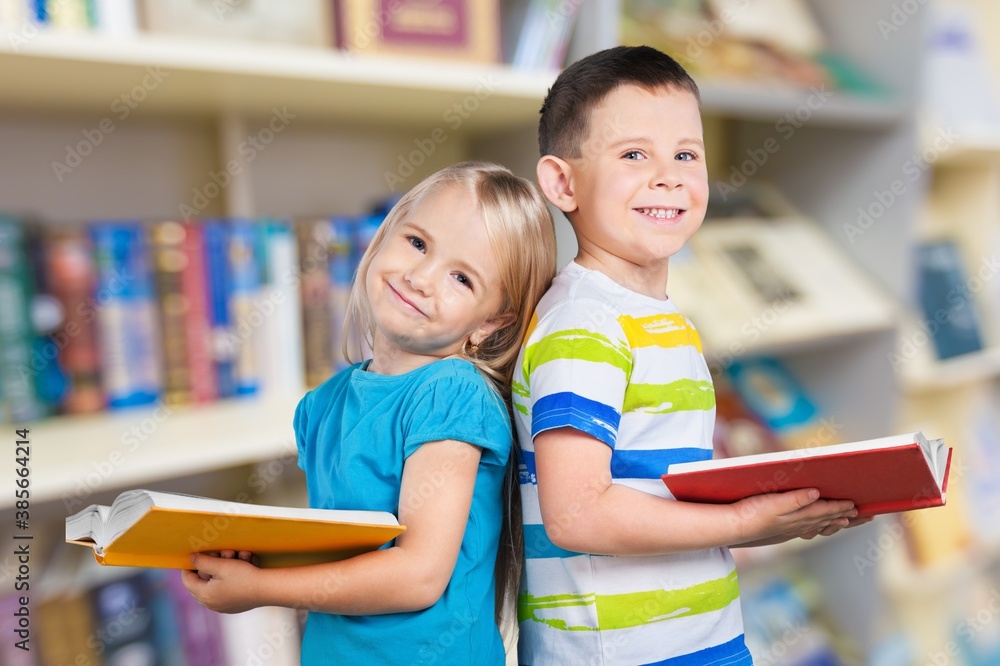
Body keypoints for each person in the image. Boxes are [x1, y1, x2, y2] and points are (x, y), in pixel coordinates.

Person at [514, 45, 867, 665]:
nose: (668, 175)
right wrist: (746, 525)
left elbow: (656, 486)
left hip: (700, 636)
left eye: (686, 154)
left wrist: (775, 505)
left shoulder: (658, 318)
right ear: (562, 182)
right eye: (633, 155)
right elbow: (575, 514)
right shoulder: (583, 323)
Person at [182, 161, 557, 664]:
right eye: (418, 243)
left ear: (490, 323)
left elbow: (418, 576)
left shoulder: (451, 393)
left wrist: (263, 587)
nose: (420, 277)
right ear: (384, 235)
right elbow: (341, 551)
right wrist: (247, 560)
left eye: (462, 278)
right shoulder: (321, 405)